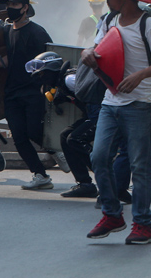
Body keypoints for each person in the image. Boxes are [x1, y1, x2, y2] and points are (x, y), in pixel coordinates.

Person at [83, 0, 151, 245]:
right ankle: (112, 214)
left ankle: (143, 225)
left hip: (140, 104)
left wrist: (141, 75)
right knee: (98, 157)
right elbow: (96, 48)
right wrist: (88, 54)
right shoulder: (109, 19)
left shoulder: (148, 24)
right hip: (111, 100)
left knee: (140, 165)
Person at [0, 0, 59, 190]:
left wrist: (48, 87)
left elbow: (52, 60)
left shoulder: (38, 33)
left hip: (33, 91)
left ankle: (59, 150)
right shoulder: (8, 30)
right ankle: (40, 175)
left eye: (14, 4)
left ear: (25, 7)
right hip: (12, 92)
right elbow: (12, 57)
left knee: (34, 131)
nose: (9, 8)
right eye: (7, 3)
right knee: (20, 137)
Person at [25, 52, 99, 199]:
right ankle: (85, 184)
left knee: (75, 139)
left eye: (41, 75)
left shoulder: (70, 79)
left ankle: (109, 178)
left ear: (51, 70)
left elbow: (95, 91)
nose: (41, 79)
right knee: (66, 136)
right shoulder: (62, 82)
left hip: (103, 115)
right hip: (94, 115)